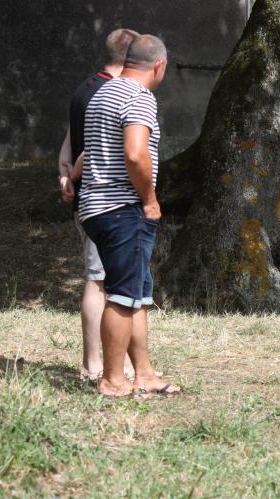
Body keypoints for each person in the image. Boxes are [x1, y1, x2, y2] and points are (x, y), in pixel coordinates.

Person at [79, 34, 179, 397]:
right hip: (123, 209)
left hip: (95, 208)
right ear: (159, 66)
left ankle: (145, 373)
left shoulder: (102, 93)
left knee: (136, 293)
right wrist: (149, 199)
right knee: (122, 295)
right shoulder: (139, 97)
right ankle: (112, 379)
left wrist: (72, 179)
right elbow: (136, 154)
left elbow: (88, 152)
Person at [58, 28, 139, 382]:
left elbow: (69, 139)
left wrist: (63, 172)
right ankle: (94, 364)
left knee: (105, 279)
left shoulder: (83, 89)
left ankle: (117, 363)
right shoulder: (113, 93)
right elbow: (93, 148)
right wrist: (73, 175)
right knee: (99, 282)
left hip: (88, 199)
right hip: (104, 201)